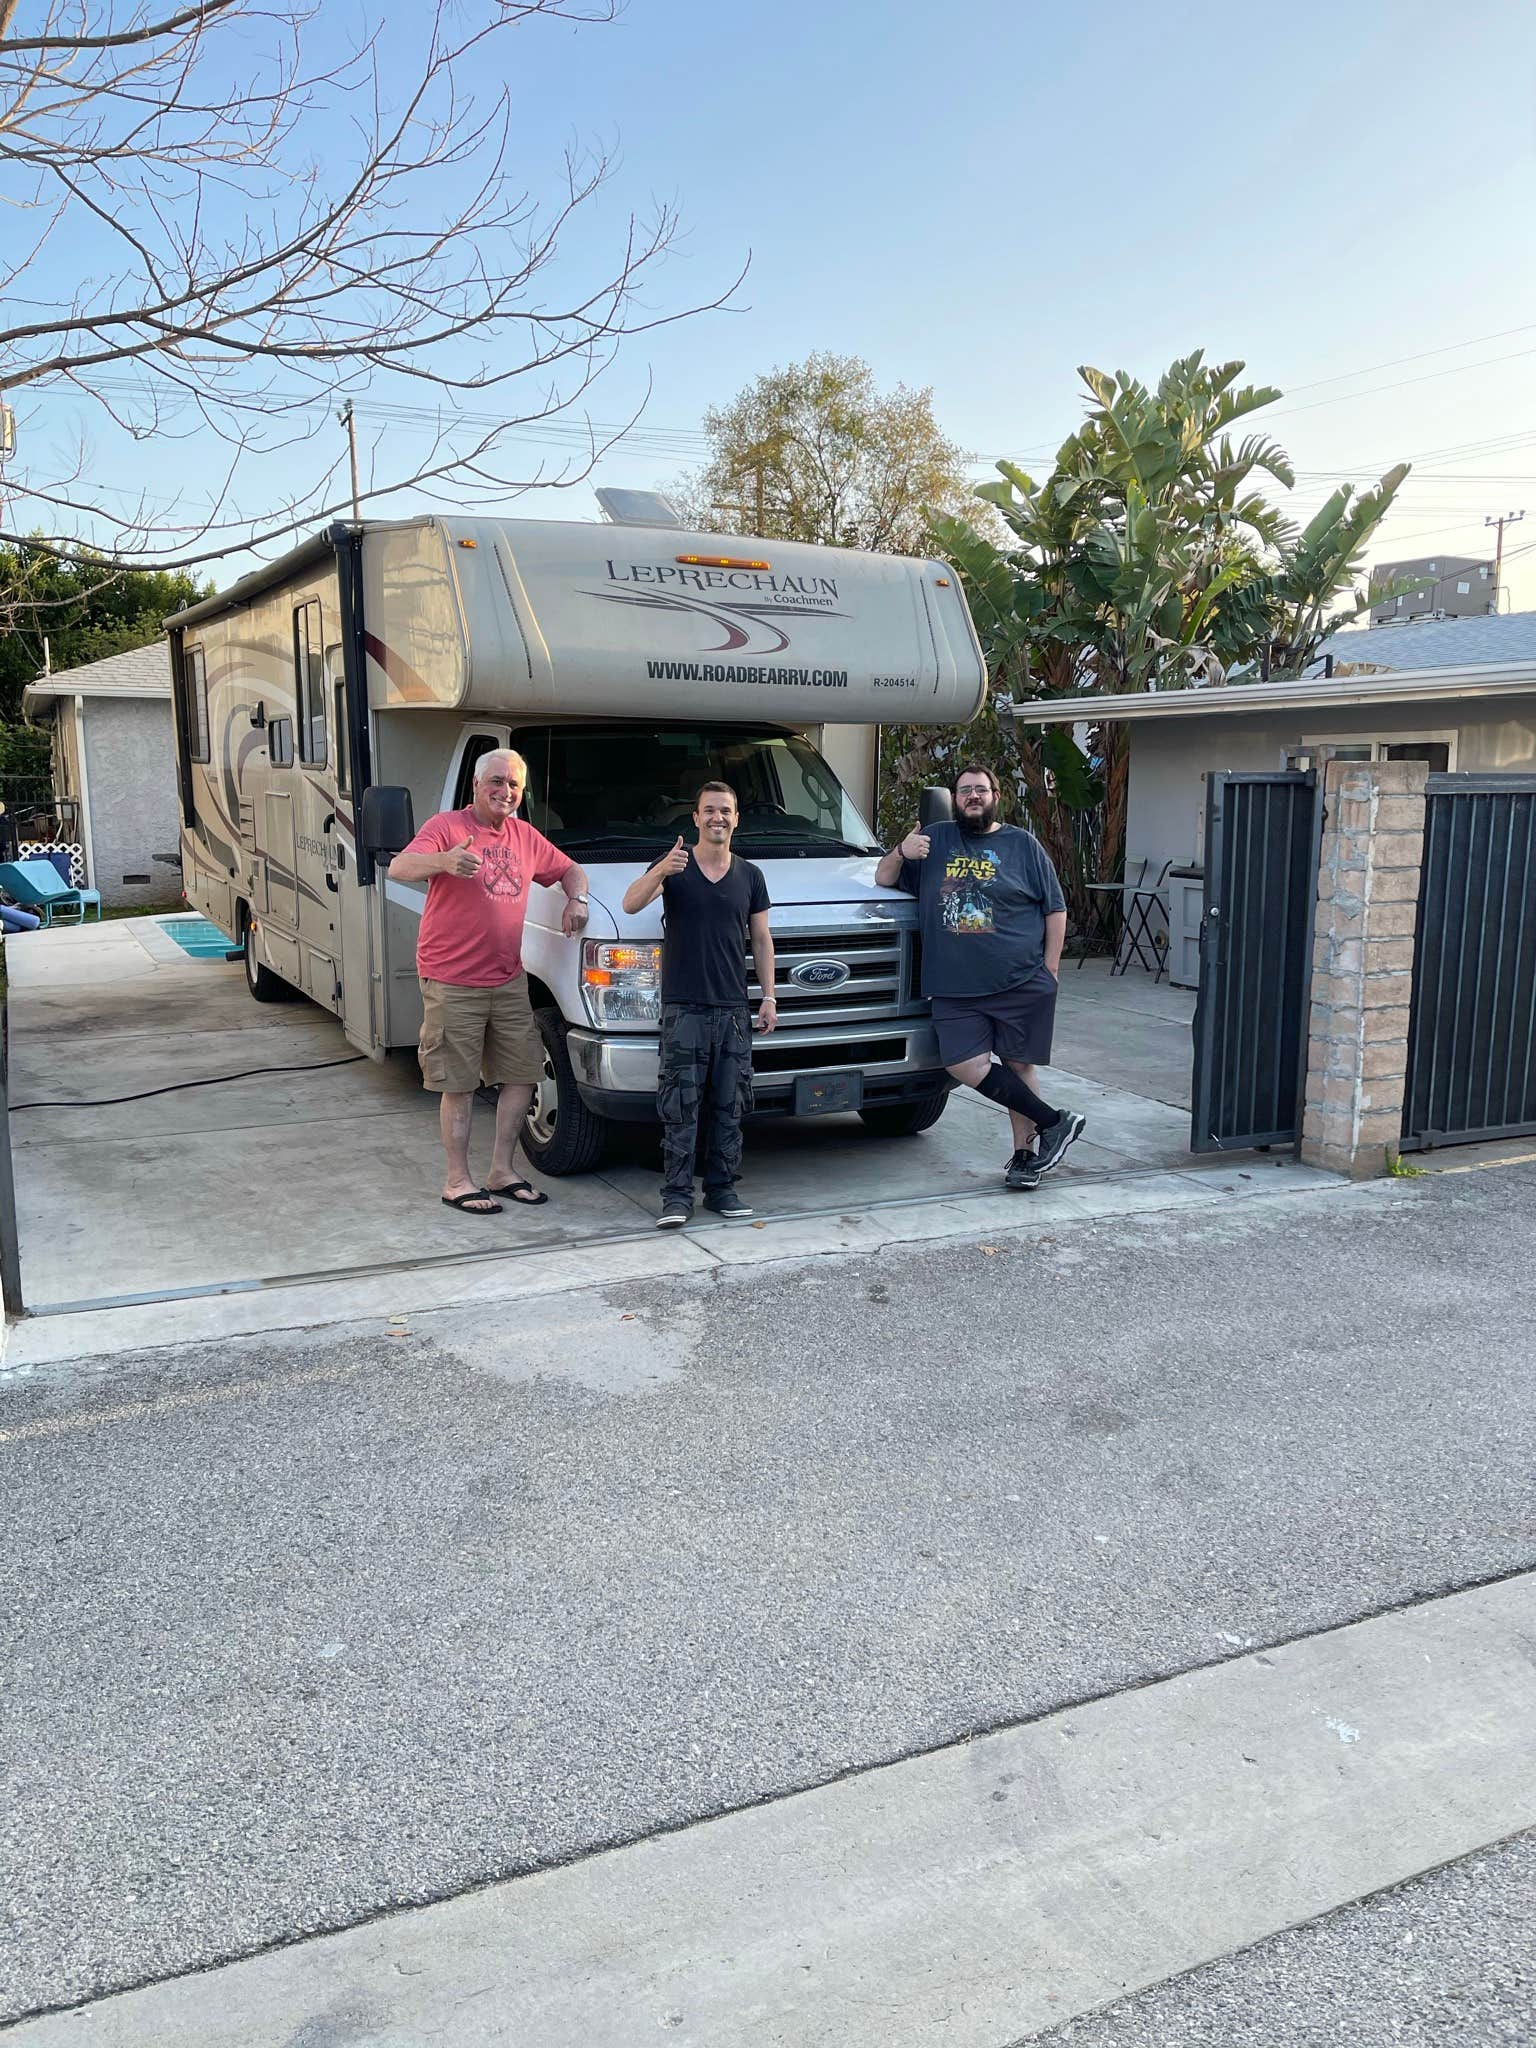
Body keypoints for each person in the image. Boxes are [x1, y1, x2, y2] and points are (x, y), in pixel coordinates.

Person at [388, 749, 590, 1215]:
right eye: (497, 782)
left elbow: (568, 869)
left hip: (507, 977)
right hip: (451, 978)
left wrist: (576, 899)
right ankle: (457, 1181)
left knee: (522, 1073)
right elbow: (399, 866)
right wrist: (442, 863)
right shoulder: (447, 827)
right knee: (457, 1083)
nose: (506, 792)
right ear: (477, 786)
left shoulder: (524, 835)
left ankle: (502, 1170)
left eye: (514, 785)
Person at [875, 762, 1084, 1191]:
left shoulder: (1022, 845)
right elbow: (883, 876)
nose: (973, 796)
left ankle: (1026, 1157)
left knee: (1018, 1065)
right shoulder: (935, 840)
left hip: (1018, 979)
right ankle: (1055, 1123)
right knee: (963, 1064)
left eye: (981, 790)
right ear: (954, 799)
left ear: (996, 796)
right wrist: (901, 850)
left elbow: (1055, 909)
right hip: (952, 985)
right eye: (965, 790)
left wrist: (1051, 969)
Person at [622, 781, 776, 1228]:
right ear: (695, 818)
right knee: (680, 1106)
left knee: (731, 1105)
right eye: (709, 811)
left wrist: (768, 996)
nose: (717, 818)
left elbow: (762, 940)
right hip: (683, 1007)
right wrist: (661, 871)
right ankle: (676, 1197)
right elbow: (631, 904)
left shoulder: (750, 875)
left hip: (732, 1010)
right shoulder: (674, 866)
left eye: (725, 811)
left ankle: (722, 1190)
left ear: (736, 818)